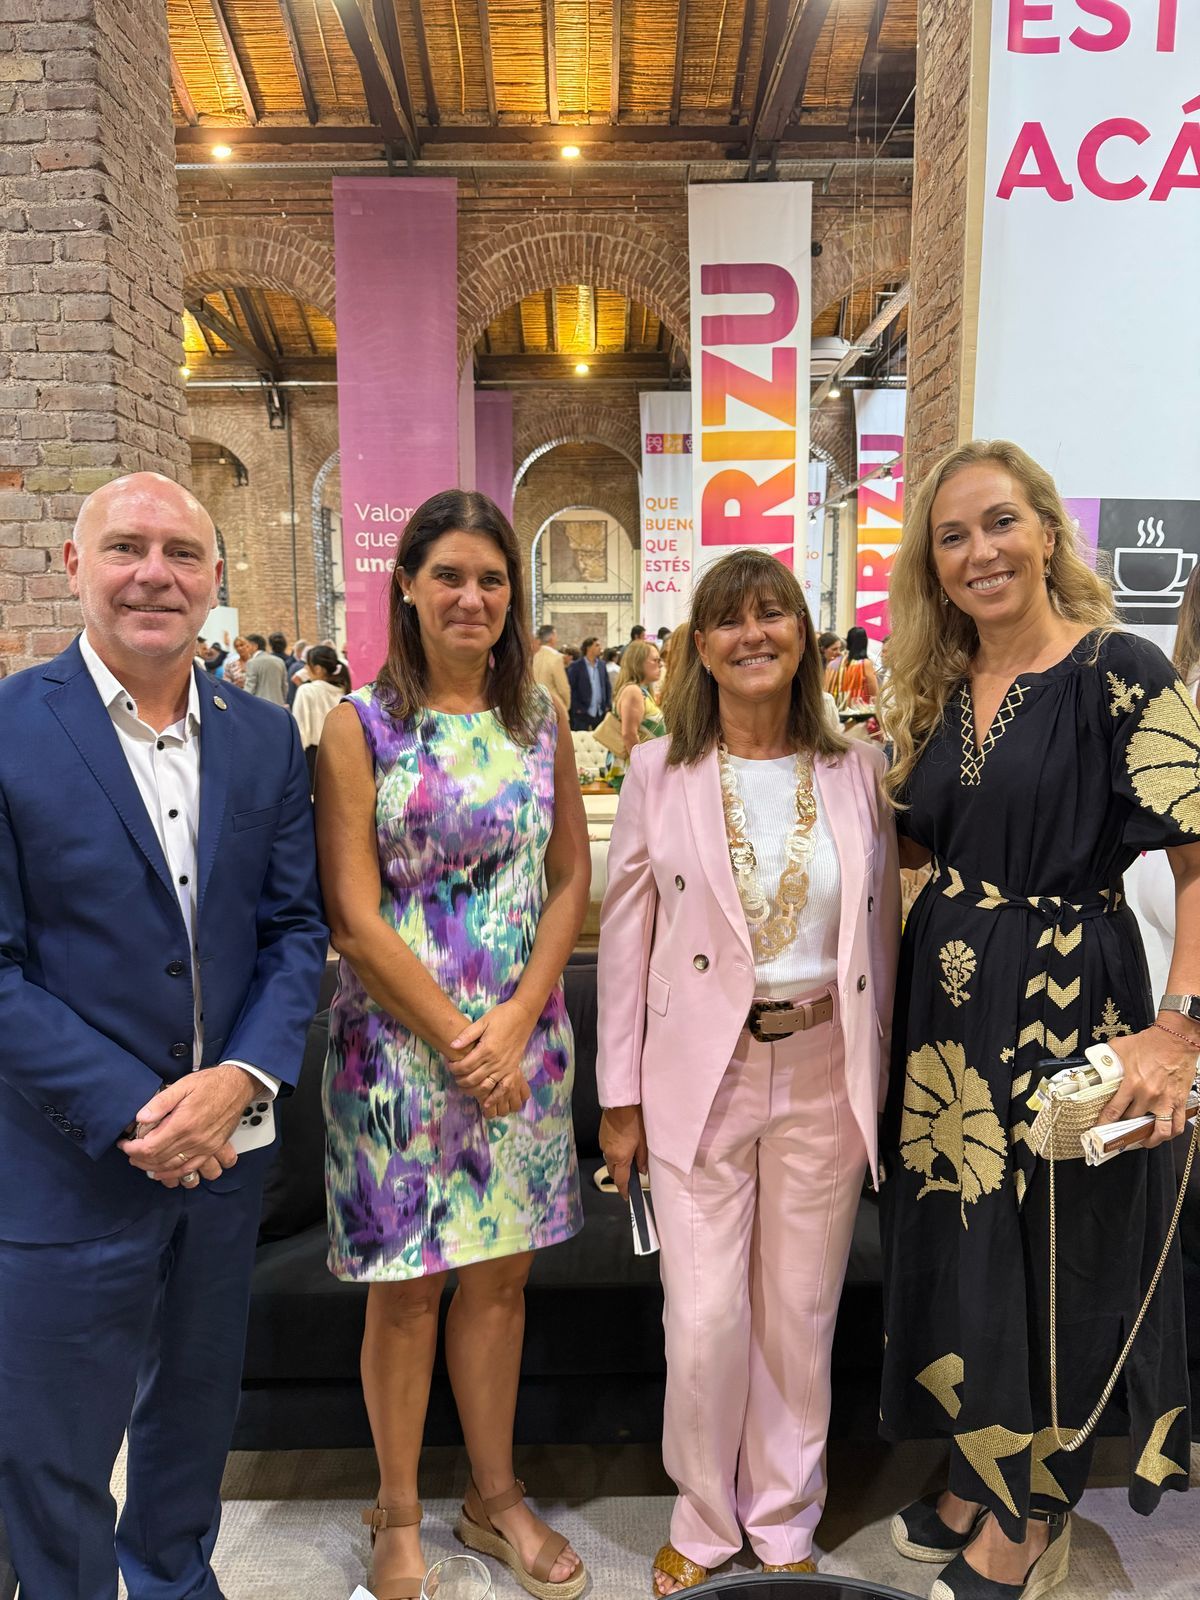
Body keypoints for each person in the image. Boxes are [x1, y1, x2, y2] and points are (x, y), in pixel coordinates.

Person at [880, 439, 1200, 1600]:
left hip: (1071, 990)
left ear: (1050, 532)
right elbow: (912, 840)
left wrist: (1181, 1027)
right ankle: (979, 1467)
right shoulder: (931, 684)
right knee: (968, 1248)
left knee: (1058, 1253)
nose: (980, 552)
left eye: (1001, 523)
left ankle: (1031, 1514)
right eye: (954, 535)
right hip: (946, 1014)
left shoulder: (1120, 670)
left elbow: (1198, 858)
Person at [0, 472, 328, 1600]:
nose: (156, 573)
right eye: (127, 547)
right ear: (74, 567)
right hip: (64, 1162)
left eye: (182, 552)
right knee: (56, 1451)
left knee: (193, 1417)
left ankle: (179, 1580)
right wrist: (148, 1109)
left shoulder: (265, 738)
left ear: (217, 580)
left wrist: (237, 1079)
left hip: (225, 1160)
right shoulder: (8, 730)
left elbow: (294, 929)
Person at [597, 549, 899, 1593]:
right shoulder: (657, 769)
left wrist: (879, 1082)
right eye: (729, 620)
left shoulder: (857, 766)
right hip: (697, 1074)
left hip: (824, 1063)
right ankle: (703, 1511)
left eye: (774, 614)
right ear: (699, 646)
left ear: (807, 634)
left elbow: (882, 937)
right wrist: (618, 1099)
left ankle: (782, 1517)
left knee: (800, 1310)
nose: (753, 634)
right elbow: (625, 937)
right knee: (707, 1316)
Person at [316, 489, 590, 1600]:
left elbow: (571, 876)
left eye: (492, 578)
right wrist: (458, 1037)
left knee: (499, 1290)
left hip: (523, 1051)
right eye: (450, 577)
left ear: (513, 595)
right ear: (410, 589)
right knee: (407, 1292)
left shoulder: (541, 721)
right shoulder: (359, 725)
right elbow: (352, 912)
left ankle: (495, 1494)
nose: (472, 596)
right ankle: (396, 1507)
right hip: (394, 1057)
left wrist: (518, 1017)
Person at [293, 643, 348, 790]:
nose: (305, 669)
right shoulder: (346, 690)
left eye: (307, 665)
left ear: (317, 668)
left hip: (315, 757)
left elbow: (300, 731)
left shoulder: (306, 690)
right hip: (345, 754)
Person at [611, 638, 665, 762]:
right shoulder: (633, 691)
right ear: (638, 663)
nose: (660, 664)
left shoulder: (641, 691)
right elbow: (629, 735)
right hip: (632, 769)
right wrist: (640, 768)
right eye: (655, 660)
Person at [824, 624, 879, 710]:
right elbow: (874, 693)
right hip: (859, 715)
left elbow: (826, 691)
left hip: (837, 713)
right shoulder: (865, 664)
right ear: (865, 642)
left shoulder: (833, 664)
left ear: (848, 642)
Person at [566, 635, 612, 730]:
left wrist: (608, 704)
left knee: (599, 741)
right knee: (581, 741)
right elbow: (571, 688)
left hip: (600, 711)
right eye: (597, 645)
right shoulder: (576, 666)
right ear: (588, 647)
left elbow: (607, 685)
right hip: (582, 711)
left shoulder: (602, 665)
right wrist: (576, 707)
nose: (600, 648)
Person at [532, 622, 570, 717]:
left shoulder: (534, 657)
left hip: (535, 709)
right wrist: (566, 705)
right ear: (552, 637)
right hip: (553, 709)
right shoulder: (556, 658)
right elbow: (563, 688)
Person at [243, 632, 289, 705]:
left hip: (261, 706)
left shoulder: (252, 662)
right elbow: (284, 686)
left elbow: (250, 687)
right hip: (278, 705)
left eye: (247, 646)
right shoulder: (280, 661)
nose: (245, 649)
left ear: (255, 646)